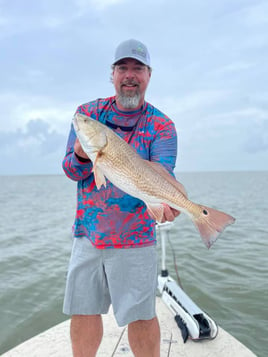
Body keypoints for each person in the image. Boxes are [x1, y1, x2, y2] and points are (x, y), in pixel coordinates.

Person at [62, 39, 180, 357]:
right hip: (88, 234)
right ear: (112, 74)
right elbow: (72, 171)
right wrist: (81, 151)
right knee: (84, 311)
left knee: (141, 317)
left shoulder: (162, 126)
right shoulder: (87, 114)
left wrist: (168, 204)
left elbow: (160, 176)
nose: (130, 75)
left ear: (148, 75)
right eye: (123, 68)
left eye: (137, 68)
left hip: (136, 238)